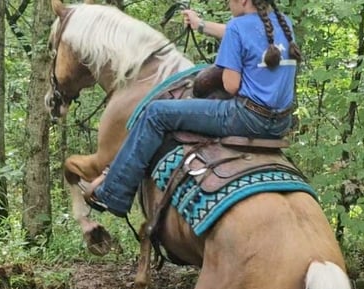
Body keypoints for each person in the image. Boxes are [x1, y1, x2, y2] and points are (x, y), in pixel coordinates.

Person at [83, 0, 301, 217]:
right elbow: (244, 34)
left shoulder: (238, 28)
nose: (227, 4)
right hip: (280, 124)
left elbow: (231, 85)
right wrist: (201, 25)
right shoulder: (283, 24)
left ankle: (113, 192)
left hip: (245, 118)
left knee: (156, 113)